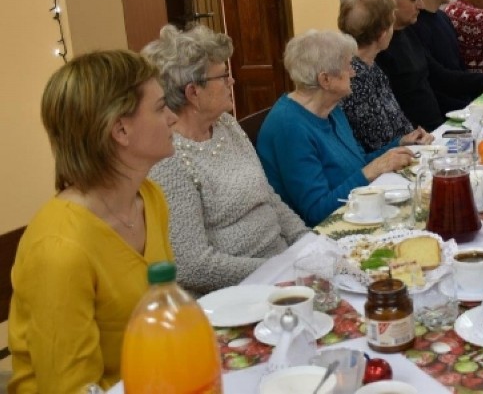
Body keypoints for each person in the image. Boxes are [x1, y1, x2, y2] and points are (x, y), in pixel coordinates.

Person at [8, 51, 176, 392]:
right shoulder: (60, 249)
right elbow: (71, 387)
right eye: (160, 108)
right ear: (120, 130)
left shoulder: (149, 198)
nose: (173, 117)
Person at [142, 25, 310, 295]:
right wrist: (277, 269)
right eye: (223, 76)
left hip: (281, 267)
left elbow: (268, 196)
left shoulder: (226, 125)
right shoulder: (169, 158)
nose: (233, 82)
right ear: (193, 92)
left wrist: (306, 244)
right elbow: (193, 265)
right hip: (235, 293)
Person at [257, 31, 414, 226]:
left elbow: (356, 165)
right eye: (347, 66)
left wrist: (397, 144)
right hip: (320, 233)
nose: (353, 73)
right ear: (325, 80)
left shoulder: (332, 109)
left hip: (356, 212)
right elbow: (316, 212)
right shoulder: (289, 126)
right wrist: (372, 170)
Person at [337, 0, 434, 152]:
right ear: (382, 34)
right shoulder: (355, 76)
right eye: (391, 24)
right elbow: (377, 140)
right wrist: (409, 142)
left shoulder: (372, 66)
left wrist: (416, 135)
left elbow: (397, 119)